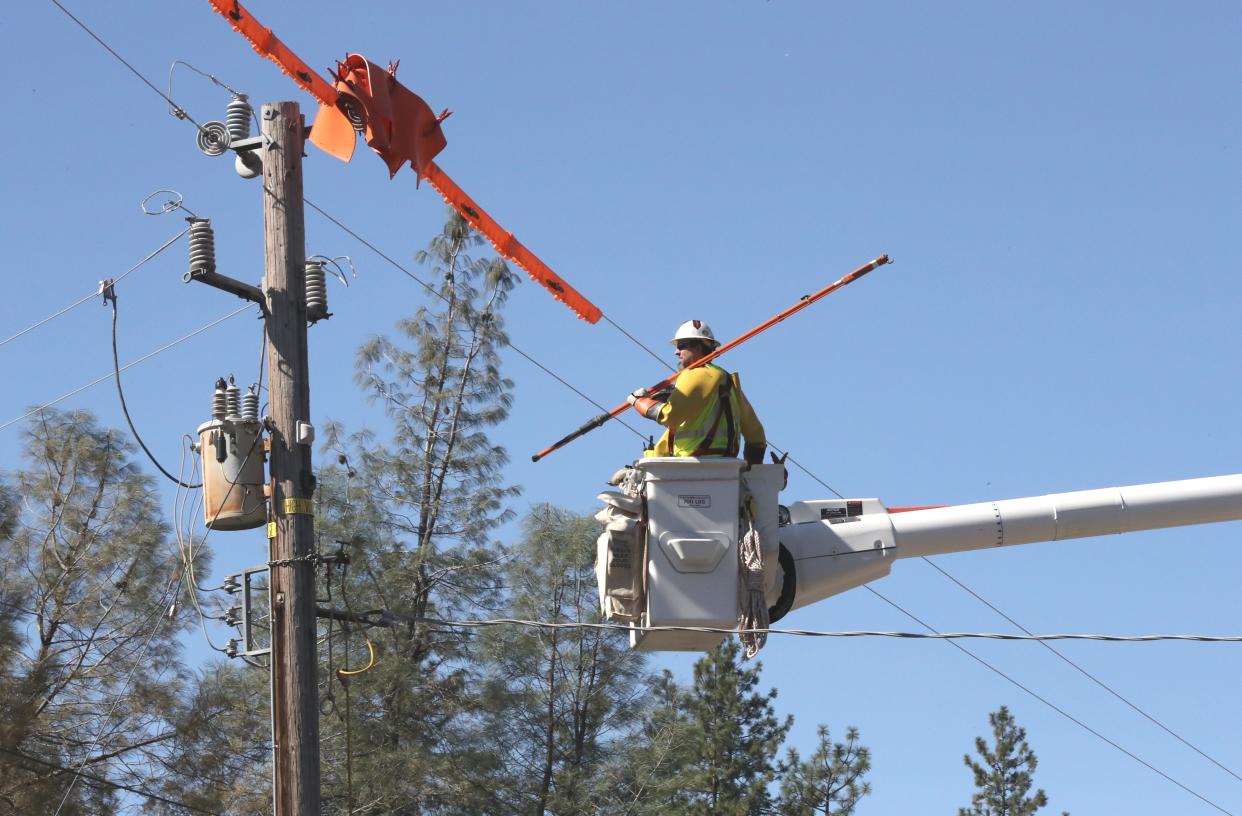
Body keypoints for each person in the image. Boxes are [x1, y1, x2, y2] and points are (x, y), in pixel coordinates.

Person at [627, 319, 766, 465]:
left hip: (695, 467)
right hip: (726, 468)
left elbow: (669, 415)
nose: (676, 351)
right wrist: (753, 470)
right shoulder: (727, 381)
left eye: (681, 346)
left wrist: (639, 401)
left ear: (699, 348)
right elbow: (756, 436)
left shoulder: (697, 374)